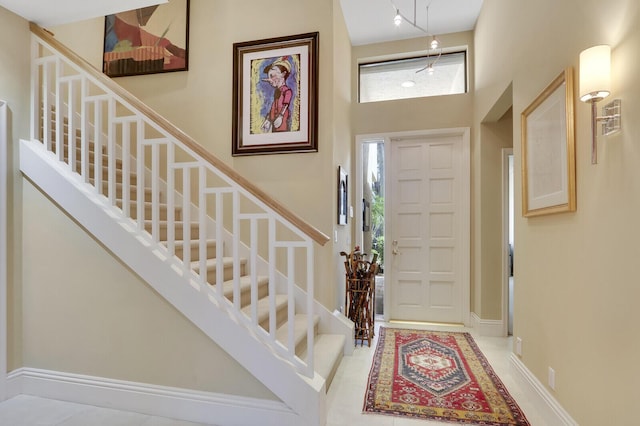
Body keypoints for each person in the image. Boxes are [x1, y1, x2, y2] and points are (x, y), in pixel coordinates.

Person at [260, 57, 293, 133]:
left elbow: (285, 105)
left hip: (282, 123)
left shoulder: (287, 91)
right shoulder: (276, 92)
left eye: (272, 76)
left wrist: (280, 116)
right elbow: (273, 107)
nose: (269, 80)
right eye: (268, 77)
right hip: (274, 123)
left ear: (283, 74)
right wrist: (268, 120)